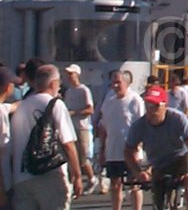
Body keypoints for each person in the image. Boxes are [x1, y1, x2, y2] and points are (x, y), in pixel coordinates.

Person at [11, 64, 83, 208]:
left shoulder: (21, 106)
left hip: (21, 177)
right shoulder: (55, 104)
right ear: (53, 83)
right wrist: (77, 174)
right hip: (50, 175)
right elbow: (68, 143)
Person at [124, 86, 188, 210]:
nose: (151, 110)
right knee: (158, 199)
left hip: (180, 158)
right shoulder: (139, 126)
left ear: (164, 105)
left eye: (155, 106)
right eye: (148, 105)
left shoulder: (178, 118)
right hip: (158, 163)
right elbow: (128, 151)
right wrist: (138, 172)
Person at [99, 70, 145, 210]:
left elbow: (142, 125)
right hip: (113, 150)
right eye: (113, 82)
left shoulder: (135, 100)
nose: (115, 85)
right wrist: (102, 149)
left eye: (118, 82)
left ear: (127, 83)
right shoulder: (109, 101)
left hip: (131, 150)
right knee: (115, 184)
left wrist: (138, 147)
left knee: (134, 183)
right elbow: (103, 127)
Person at [63, 64, 98, 194]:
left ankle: (92, 178)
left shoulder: (84, 90)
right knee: (72, 157)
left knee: (83, 158)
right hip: (71, 127)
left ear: (77, 74)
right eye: (68, 74)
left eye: (71, 74)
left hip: (82, 127)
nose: (69, 76)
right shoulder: (69, 91)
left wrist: (75, 112)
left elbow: (90, 109)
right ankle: (72, 184)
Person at [0, 67, 21, 210]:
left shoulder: (3, 108)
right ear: (7, 86)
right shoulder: (1, 113)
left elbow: (13, 106)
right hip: (3, 183)